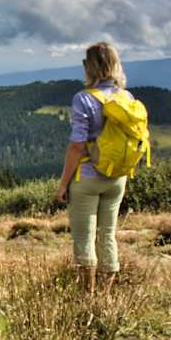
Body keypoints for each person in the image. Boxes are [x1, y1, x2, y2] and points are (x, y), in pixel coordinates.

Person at [55, 42, 129, 295]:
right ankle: (104, 296)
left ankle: (87, 295)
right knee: (108, 235)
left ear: (90, 67)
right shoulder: (126, 97)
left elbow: (77, 145)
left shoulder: (84, 98)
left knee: (84, 237)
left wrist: (63, 184)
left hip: (87, 177)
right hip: (117, 178)